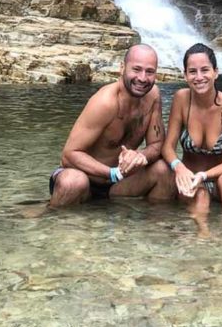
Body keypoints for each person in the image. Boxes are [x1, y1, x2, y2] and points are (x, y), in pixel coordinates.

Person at [49, 43, 175, 207]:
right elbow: (69, 155)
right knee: (72, 182)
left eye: (149, 72)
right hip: (86, 177)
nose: (143, 78)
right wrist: (112, 173)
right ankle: (52, 224)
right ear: (122, 68)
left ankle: (151, 229)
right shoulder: (105, 103)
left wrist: (140, 155)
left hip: (118, 183)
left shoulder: (153, 96)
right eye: (136, 69)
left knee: (164, 170)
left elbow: (157, 145)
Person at [162, 42, 222, 214]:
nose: (199, 77)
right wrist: (179, 167)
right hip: (191, 180)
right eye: (192, 71)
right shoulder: (181, 99)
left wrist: (204, 175)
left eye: (205, 70)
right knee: (200, 200)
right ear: (185, 75)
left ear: (216, 72)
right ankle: (203, 239)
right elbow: (167, 147)